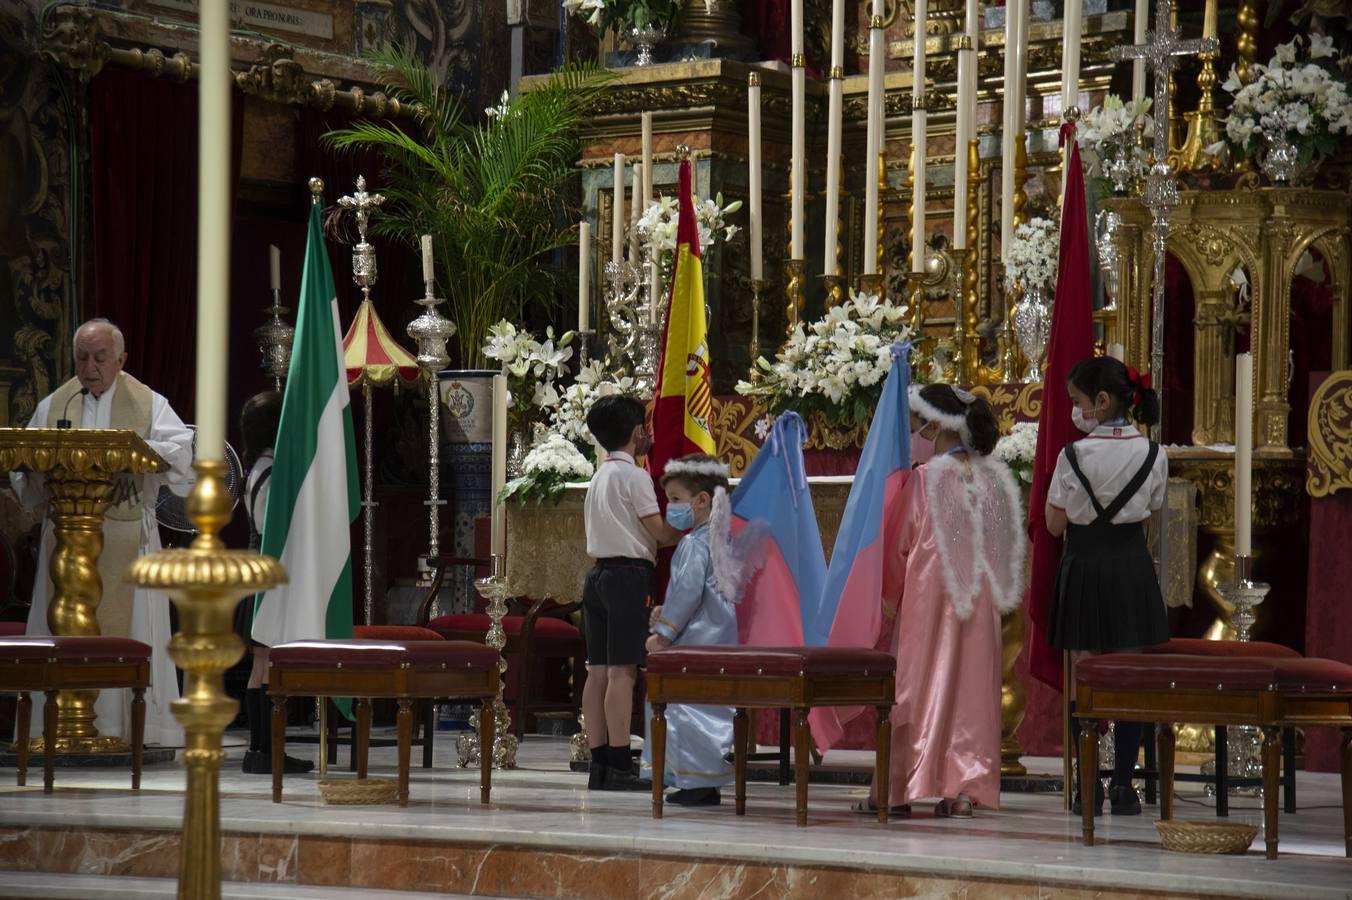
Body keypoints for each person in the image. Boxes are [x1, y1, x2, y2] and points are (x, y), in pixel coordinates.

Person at [824, 384, 1025, 817]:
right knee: (971, 689)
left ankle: (895, 791)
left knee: (914, 689)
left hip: (929, 598)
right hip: (980, 599)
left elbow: (899, 545)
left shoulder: (923, 479)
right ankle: (965, 792)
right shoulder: (991, 479)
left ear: (936, 426)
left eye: (918, 420)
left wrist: (890, 598)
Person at [10, 318, 194, 746]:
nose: (90, 367)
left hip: (127, 534)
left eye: (100, 358)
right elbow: (29, 465)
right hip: (67, 535)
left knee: (128, 627)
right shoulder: (57, 404)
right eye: (82, 358)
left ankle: (126, 729)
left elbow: (180, 449)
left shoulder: (148, 403)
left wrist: (135, 458)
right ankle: (60, 725)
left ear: (121, 359)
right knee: (61, 624)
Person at [1046, 356, 1168, 817]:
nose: (1075, 411)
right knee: (1129, 680)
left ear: (1101, 401)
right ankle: (1123, 785)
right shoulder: (1155, 454)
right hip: (1130, 566)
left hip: (1084, 566)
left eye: (1078, 402)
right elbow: (1150, 510)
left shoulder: (1073, 455)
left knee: (1087, 680)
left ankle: (1087, 787)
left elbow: (1055, 526)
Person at [581, 394, 681, 791]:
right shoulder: (635, 476)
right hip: (628, 577)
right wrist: (692, 524)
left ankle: (600, 763)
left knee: (598, 672)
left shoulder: (599, 475)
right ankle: (622, 763)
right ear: (639, 432)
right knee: (623, 671)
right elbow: (658, 531)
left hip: (599, 576)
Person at [639, 454, 738, 807]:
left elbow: (687, 592)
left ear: (702, 500)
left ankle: (693, 781)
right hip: (720, 638)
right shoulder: (722, 539)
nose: (670, 507)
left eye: (677, 499)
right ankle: (704, 780)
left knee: (679, 706)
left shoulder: (694, 543)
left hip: (695, 641)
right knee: (707, 707)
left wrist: (664, 634)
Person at [235, 391, 313, 775]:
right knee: (267, 664)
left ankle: (261, 749)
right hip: (267, 573)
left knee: (262, 662)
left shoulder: (257, 468)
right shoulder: (269, 473)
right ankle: (266, 750)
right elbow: (268, 526)